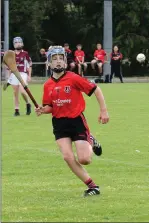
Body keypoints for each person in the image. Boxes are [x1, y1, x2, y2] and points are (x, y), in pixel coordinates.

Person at [34, 46, 110, 197]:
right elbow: (50, 106)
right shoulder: (47, 85)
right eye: (54, 59)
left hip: (76, 121)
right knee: (68, 157)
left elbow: (96, 90)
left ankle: (91, 140)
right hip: (59, 124)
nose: (58, 62)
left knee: (84, 159)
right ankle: (92, 187)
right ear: (49, 63)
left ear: (65, 62)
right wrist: (43, 110)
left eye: (61, 58)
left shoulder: (73, 77)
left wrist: (103, 111)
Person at [3, 37, 32, 116]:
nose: (18, 44)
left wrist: (29, 76)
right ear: (14, 44)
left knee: (22, 92)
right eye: (16, 42)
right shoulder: (11, 54)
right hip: (14, 74)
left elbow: (29, 65)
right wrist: (9, 77)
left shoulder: (25, 53)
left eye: (19, 42)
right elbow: (9, 67)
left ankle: (28, 104)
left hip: (23, 74)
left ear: (22, 43)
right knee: (15, 93)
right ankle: (16, 110)